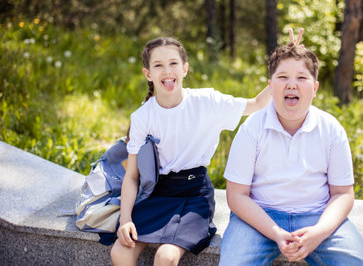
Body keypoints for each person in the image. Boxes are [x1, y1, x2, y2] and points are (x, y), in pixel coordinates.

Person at [100, 33, 300, 266]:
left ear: (185, 68)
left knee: (165, 257)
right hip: (158, 192)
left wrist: (283, 67)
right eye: (158, 65)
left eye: (173, 63)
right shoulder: (142, 117)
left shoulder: (207, 102)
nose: (167, 71)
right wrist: (125, 220)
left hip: (194, 195)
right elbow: (132, 176)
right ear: (148, 74)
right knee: (120, 252)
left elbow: (256, 104)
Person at [219, 44, 363, 265]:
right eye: (282, 77)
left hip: (317, 216)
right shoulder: (251, 129)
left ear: (315, 87)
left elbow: (343, 193)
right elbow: (236, 195)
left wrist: (320, 232)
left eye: (302, 78)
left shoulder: (331, 129)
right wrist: (275, 232)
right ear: (271, 85)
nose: (292, 84)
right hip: (259, 217)